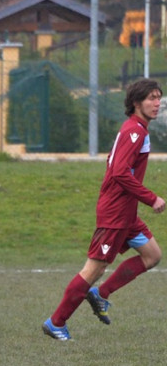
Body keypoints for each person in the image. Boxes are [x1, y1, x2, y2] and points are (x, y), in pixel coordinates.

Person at [42, 78, 165, 341]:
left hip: (127, 213)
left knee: (152, 255)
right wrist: (150, 198)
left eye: (159, 97)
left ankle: (101, 293)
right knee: (94, 269)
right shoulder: (135, 131)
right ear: (136, 103)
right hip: (116, 213)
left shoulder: (137, 129)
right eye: (151, 98)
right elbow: (120, 172)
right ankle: (56, 322)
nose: (157, 103)